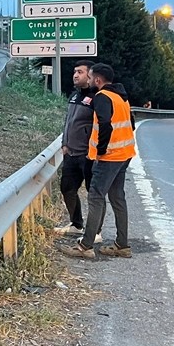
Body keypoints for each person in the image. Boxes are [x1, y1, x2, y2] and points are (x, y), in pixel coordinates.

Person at [59, 63, 135, 260]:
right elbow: (131, 123)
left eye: (91, 77)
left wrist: (100, 151)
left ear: (98, 80)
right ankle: (122, 244)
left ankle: (86, 246)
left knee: (96, 197)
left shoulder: (102, 97)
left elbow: (105, 125)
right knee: (118, 197)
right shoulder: (120, 97)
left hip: (109, 156)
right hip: (124, 154)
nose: (90, 81)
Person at [53, 60, 98, 241]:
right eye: (74, 72)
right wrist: (64, 143)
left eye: (80, 72)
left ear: (90, 76)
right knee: (67, 189)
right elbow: (68, 121)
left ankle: (96, 231)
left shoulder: (97, 98)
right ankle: (76, 224)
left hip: (88, 155)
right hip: (70, 153)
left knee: (93, 194)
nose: (75, 75)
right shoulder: (74, 96)